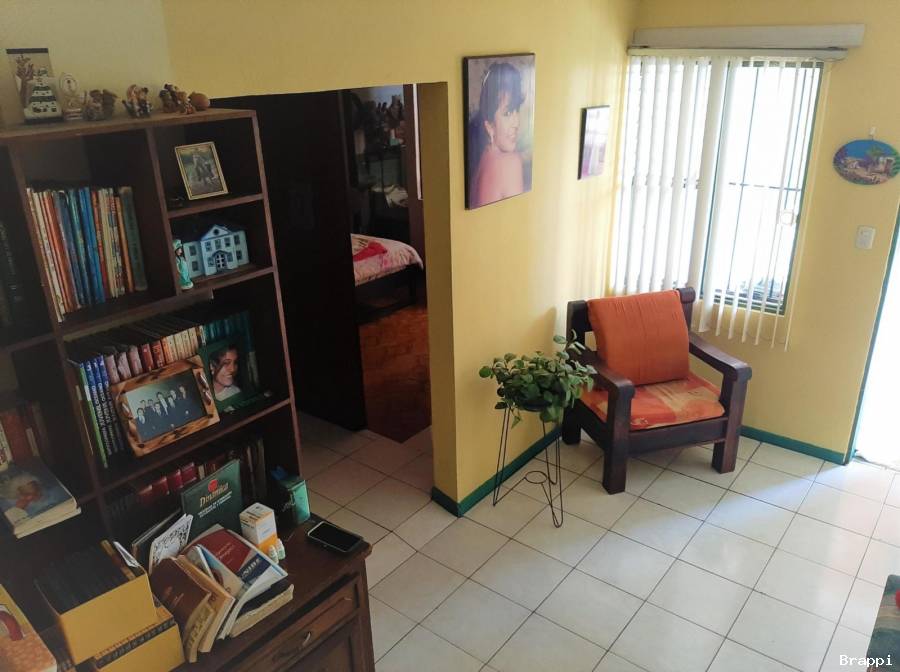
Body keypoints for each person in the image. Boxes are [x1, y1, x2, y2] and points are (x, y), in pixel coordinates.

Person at [469, 61, 527, 208]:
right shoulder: (511, 163)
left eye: (516, 110)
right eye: (507, 113)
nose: (516, 123)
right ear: (489, 126)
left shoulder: (482, 162)